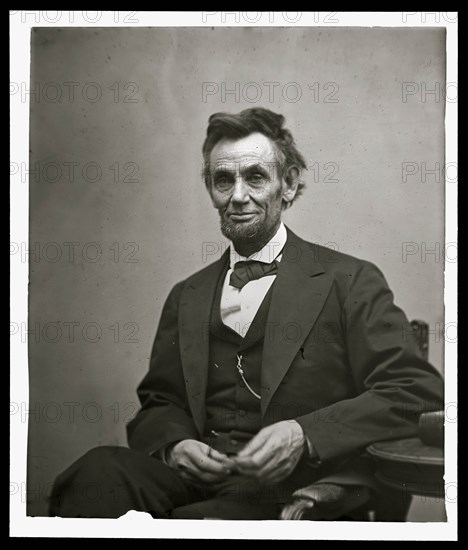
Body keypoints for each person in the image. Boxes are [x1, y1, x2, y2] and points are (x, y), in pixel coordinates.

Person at [50, 107, 444, 520]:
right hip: (199, 482)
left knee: (197, 524)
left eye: (255, 176)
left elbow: (414, 391)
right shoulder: (188, 294)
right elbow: (161, 400)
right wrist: (175, 446)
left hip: (292, 489)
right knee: (98, 473)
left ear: (288, 184)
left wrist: (305, 434)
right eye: (224, 180)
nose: (238, 196)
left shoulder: (349, 280)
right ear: (211, 190)